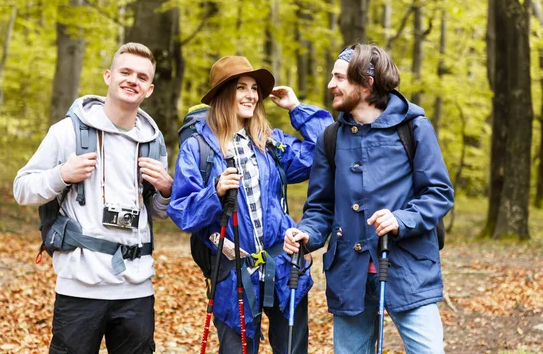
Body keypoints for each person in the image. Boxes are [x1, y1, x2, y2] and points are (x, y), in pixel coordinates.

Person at [284, 43, 454, 354]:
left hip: (408, 270)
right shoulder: (330, 138)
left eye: (339, 78)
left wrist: (401, 219)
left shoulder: (414, 127)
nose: (330, 85)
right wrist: (306, 232)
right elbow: (321, 207)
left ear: (366, 82)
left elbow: (439, 193)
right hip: (350, 277)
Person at [13, 43, 173, 354]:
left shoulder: (154, 141)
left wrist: (167, 189)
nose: (132, 80)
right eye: (125, 72)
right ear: (108, 76)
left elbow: (157, 212)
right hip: (80, 284)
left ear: (149, 89)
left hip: (137, 287)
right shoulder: (67, 132)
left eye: (142, 77)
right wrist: (62, 174)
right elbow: (22, 188)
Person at [168, 56, 333, 353]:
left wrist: (297, 109)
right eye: (240, 87)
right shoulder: (198, 148)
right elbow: (181, 211)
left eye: (254, 88)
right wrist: (214, 192)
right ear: (222, 94)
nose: (251, 95)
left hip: (284, 267)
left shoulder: (270, 143)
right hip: (233, 276)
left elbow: (327, 146)